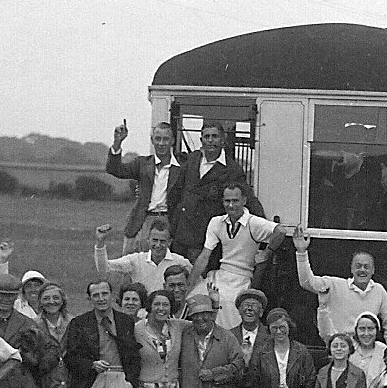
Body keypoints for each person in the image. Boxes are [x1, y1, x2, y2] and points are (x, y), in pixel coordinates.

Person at [169, 121, 265, 260]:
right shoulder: (191, 160)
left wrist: (264, 228)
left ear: (223, 139)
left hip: (206, 240)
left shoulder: (232, 170)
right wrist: (173, 224)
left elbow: (248, 200)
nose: (210, 140)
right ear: (201, 140)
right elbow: (175, 194)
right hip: (181, 237)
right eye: (206, 136)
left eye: (215, 136)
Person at [196, 184, 287, 329]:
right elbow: (204, 256)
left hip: (243, 278)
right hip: (221, 274)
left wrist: (267, 252)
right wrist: (190, 284)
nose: (231, 205)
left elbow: (280, 231)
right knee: (196, 296)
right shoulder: (216, 222)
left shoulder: (253, 222)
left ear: (244, 200)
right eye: (227, 201)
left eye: (235, 201)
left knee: (229, 302)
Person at [294, 231, 387, 344]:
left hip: (365, 349)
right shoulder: (334, 285)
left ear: (373, 270)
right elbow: (307, 282)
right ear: (351, 269)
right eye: (358, 266)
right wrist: (301, 252)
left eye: (366, 267)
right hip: (339, 347)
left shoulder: (379, 290)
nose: (362, 270)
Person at [104, 119, 187, 250]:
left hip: (170, 222)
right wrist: (117, 142)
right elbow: (115, 169)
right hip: (143, 221)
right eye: (157, 139)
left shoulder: (183, 167)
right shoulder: (142, 164)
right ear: (152, 140)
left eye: (165, 139)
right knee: (133, 264)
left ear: (172, 141)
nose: (161, 143)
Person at [94, 218, 192, 295]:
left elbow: (196, 282)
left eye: (162, 241)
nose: (158, 245)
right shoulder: (136, 260)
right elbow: (104, 270)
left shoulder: (180, 262)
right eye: (154, 240)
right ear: (148, 240)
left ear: (169, 242)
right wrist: (100, 243)